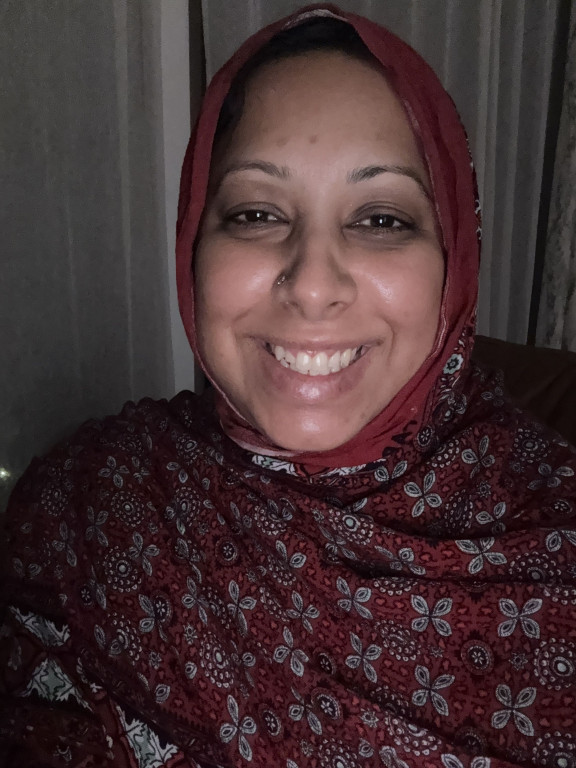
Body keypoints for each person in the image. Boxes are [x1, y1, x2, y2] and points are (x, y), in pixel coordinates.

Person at [1, 5, 575, 767]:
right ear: (194, 242)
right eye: (256, 213)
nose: (310, 285)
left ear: (455, 259)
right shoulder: (91, 504)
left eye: (380, 219)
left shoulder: (554, 547)